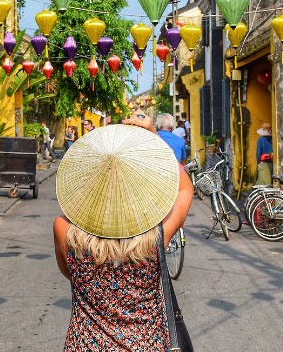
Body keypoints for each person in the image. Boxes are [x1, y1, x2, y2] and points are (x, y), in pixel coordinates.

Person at [53, 110, 194, 351]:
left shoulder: (63, 228)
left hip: (86, 345)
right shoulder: (156, 236)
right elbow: (184, 189)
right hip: (148, 345)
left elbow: (69, 273)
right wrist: (152, 136)